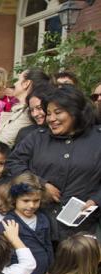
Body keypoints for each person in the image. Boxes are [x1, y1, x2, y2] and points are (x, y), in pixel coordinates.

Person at [6, 85, 101, 240]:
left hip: (82, 231)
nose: (51, 119)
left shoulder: (97, 138)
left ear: (75, 112)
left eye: (58, 112)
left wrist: (96, 200)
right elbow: (13, 162)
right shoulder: (37, 137)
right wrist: (40, 184)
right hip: (39, 225)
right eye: (48, 113)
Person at [1, 173, 53, 274]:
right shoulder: (9, 222)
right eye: (26, 201)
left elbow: (48, 246)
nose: (31, 205)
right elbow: (4, 254)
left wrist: (50, 269)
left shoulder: (43, 219)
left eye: (36, 200)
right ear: (14, 199)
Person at [0, 68, 50, 147]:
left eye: (18, 80)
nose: (15, 84)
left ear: (26, 83)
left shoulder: (27, 113)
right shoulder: (21, 109)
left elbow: (2, 142)